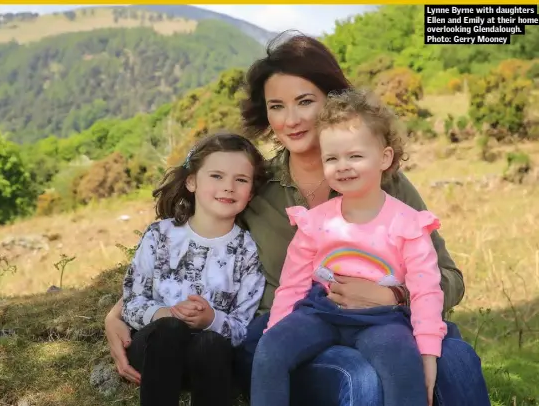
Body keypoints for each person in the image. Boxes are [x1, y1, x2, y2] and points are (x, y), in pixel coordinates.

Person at [105, 32, 491, 406]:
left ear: (332, 101)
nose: (290, 120)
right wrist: (118, 312)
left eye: (304, 101)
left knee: (457, 361)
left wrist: (393, 295)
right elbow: (197, 246)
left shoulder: (383, 181)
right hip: (292, 329)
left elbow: (449, 278)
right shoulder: (255, 185)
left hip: (386, 323)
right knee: (357, 376)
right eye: (276, 106)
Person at [251, 87, 447, 406]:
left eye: (355, 156)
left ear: (384, 158)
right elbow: (292, 285)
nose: (343, 166)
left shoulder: (408, 224)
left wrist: (428, 353)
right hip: (320, 311)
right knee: (270, 351)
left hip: (381, 318)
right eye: (332, 158)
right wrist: (275, 332)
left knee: (402, 366)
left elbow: (426, 291)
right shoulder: (314, 222)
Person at [120, 132, 267, 406]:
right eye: (216, 176)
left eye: (241, 180)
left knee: (210, 344)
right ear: (191, 181)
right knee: (169, 330)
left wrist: (210, 319)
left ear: (251, 192)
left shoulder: (246, 249)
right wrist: (166, 313)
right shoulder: (159, 235)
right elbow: (131, 302)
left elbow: (243, 326)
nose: (228, 187)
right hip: (155, 350)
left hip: (212, 358)